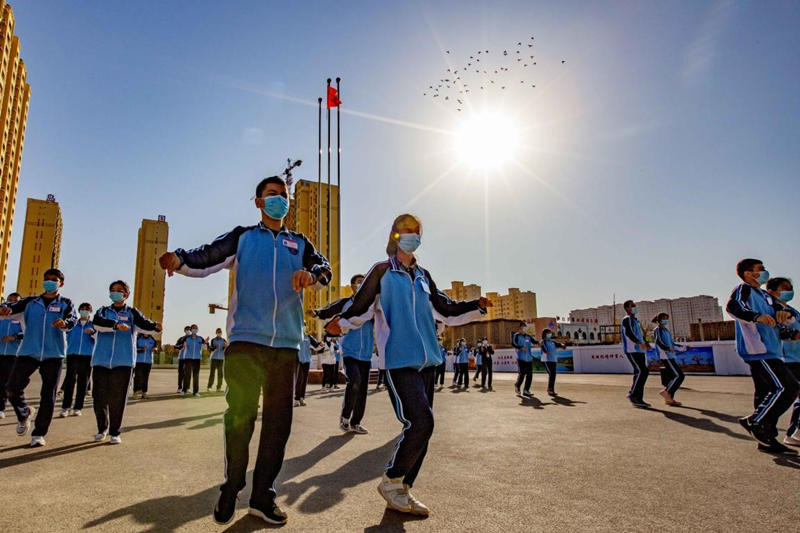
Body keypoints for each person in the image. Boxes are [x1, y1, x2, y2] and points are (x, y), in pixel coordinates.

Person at [159, 174, 331, 525]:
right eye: (271, 195)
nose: (279, 200)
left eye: (283, 196)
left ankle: (262, 495)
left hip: (285, 345)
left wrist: (311, 276)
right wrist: (179, 259)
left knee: (278, 425)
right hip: (246, 343)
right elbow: (207, 256)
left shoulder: (299, 243)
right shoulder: (243, 237)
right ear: (257, 202)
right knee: (240, 418)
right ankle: (233, 482)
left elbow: (323, 268)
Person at [325, 213, 490, 516]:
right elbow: (359, 306)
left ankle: (402, 490)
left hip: (428, 361)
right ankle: (391, 480)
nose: (412, 234)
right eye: (406, 230)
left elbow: (447, 310)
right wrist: (342, 324)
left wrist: (475, 307)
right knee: (421, 422)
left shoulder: (424, 276)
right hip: (399, 362)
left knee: (424, 429)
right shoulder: (382, 272)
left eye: (416, 230)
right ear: (395, 235)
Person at [726, 259, 799, 454]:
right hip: (759, 350)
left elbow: (779, 321)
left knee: (767, 394)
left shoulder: (765, 296)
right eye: (761, 269)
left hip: (772, 350)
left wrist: (785, 319)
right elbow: (733, 307)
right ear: (749, 273)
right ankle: (755, 421)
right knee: (788, 387)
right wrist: (756, 317)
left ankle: (766, 438)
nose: (765, 272)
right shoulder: (744, 289)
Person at [1, 269, 76, 447]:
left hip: (53, 355)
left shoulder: (66, 303)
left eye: (54, 280)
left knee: (48, 395)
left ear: (61, 283)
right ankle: (24, 413)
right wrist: (5, 309)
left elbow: (71, 320)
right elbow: (10, 308)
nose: (50, 282)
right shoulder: (30, 302)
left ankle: (39, 433)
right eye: (47, 279)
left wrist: (64, 323)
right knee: (11, 387)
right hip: (28, 352)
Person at [91, 281, 161, 444]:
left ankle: (115, 431)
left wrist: (156, 327)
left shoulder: (132, 313)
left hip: (123, 361)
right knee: (99, 398)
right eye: (113, 290)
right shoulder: (103, 311)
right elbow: (97, 323)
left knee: (118, 398)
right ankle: (102, 428)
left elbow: (144, 324)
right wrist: (115, 325)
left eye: (120, 291)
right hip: (101, 360)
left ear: (127, 294)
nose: (116, 293)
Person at [316, 274, 374, 433]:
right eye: (358, 283)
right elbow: (330, 309)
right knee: (354, 382)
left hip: (366, 353)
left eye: (364, 283)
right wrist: (317, 313)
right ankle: (345, 418)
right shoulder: (345, 303)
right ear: (352, 286)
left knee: (362, 389)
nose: (361, 285)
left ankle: (356, 422)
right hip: (349, 351)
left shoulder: (371, 305)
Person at [763, 276, 800, 447]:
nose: (789, 290)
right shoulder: (772, 309)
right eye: (784, 287)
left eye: (790, 287)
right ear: (771, 290)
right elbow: (782, 333)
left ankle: (795, 433)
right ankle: (788, 433)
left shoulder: (792, 310)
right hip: (787, 360)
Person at [60, 302, 96, 416]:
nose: (84, 311)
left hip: (87, 356)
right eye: (82, 309)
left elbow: (99, 338)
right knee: (70, 381)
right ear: (79, 311)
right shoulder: (73, 324)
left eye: (87, 309)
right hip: (73, 354)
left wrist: (93, 333)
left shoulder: (94, 325)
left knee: (83, 382)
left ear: (90, 312)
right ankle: (66, 407)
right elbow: (64, 332)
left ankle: (78, 407)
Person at [621, 300, 652, 408]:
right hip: (632, 349)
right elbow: (629, 333)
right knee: (642, 371)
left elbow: (639, 335)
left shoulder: (635, 320)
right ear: (627, 308)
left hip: (639, 349)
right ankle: (633, 395)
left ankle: (637, 398)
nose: (635, 307)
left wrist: (646, 343)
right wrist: (639, 343)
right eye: (632, 306)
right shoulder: (627, 319)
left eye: (635, 305)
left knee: (639, 372)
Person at [652, 313, 687, 406]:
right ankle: (666, 392)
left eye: (667, 319)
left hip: (670, 356)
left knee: (675, 377)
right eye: (664, 319)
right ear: (659, 320)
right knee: (679, 376)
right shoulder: (657, 330)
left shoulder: (666, 330)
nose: (666, 320)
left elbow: (672, 343)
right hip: (665, 356)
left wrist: (684, 347)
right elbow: (658, 342)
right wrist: (667, 348)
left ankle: (669, 399)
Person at [0, 292, 23, 419]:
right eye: (10, 299)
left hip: (13, 354)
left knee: (7, 382)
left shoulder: (20, 317)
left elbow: (25, 332)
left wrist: (13, 337)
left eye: (15, 300)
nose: (12, 301)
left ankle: (2, 407)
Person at [295, 333, 322, 407]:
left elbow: (317, 346)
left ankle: (302, 398)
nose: (303, 326)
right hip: (298, 360)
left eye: (304, 325)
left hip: (307, 360)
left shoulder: (309, 337)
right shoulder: (296, 334)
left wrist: (321, 344)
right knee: (299, 379)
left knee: (304, 380)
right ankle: (296, 399)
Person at [512, 322, 537, 397]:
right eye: (523, 327)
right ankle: (517, 385)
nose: (525, 329)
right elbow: (513, 344)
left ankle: (526, 390)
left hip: (529, 358)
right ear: (519, 328)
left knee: (529, 375)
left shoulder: (528, 336)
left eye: (525, 327)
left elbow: (534, 341)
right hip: (521, 358)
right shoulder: (516, 336)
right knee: (522, 374)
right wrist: (521, 348)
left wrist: (539, 343)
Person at [540, 329, 565, 396]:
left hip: (553, 360)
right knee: (551, 374)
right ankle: (550, 389)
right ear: (545, 334)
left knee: (553, 374)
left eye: (550, 333)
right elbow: (543, 347)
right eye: (549, 333)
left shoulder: (552, 342)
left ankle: (550, 389)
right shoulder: (543, 341)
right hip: (546, 360)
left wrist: (562, 345)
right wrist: (546, 351)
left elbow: (559, 344)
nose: (550, 334)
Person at [182, 324, 206, 397]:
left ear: (198, 329)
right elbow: (184, 346)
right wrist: (184, 345)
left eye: (196, 328)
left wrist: (206, 343)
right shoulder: (187, 338)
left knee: (196, 376)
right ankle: (184, 390)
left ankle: (195, 392)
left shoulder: (200, 339)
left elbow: (204, 348)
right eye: (193, 328)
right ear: (191, 330)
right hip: (188, 358)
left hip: (197, 359)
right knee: (187, 375)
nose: (195, 329)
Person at [133, 333, 157, 399]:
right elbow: (134, 349)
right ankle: (135, 392)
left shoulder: (152, 339)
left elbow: (156, 347)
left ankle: (144, 392)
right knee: (138, 376)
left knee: (146, 377)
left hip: (148, 361)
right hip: (138, 361)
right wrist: (142, 349)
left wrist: (155, 349)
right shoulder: (138, 338)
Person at [208, 328, 227, 392]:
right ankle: (209, 386)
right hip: (214, 358)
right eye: (218, 332)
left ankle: (219, 387)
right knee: (212, 373)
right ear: (216, 333)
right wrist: (214, 347)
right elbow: (210, 349)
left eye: (220, 332)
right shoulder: (213, 340)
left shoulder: (224, 340)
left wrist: (225, 346)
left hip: (221, 359)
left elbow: (225, 349)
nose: (219, 333)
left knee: (220, 374)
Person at [174, 325, 191, 394]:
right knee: (181, 373)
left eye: (189, 329)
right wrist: (182, 346)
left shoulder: (193, 338)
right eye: (187, 329)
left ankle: (187, 387)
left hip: (190, 358)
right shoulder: (181, 338)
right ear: (184, 331)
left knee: (188, 373)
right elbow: (175, 346)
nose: (188, 331)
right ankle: (180, 387)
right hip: (181, 358)